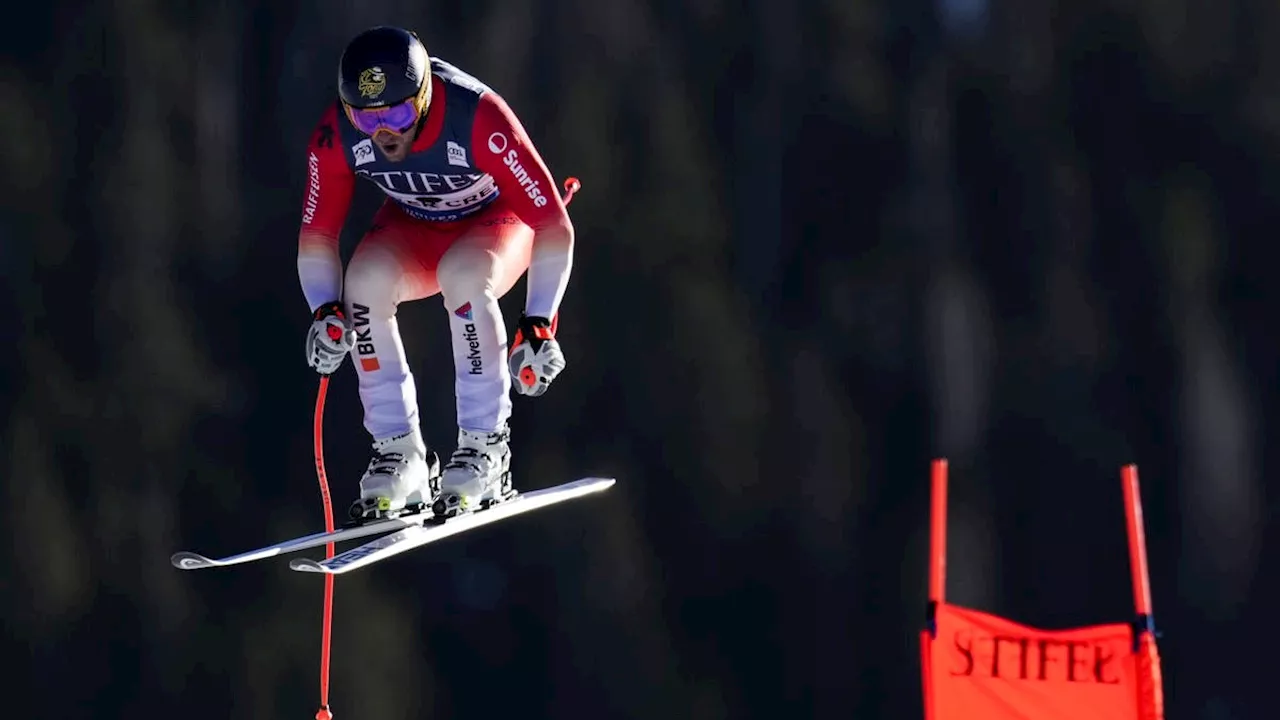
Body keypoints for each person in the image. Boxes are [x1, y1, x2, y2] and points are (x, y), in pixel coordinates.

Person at [296, 25, 575, 521]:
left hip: (497, 224)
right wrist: (325, 310)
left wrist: (538, 322)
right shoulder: (335, 135)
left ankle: (485, 449)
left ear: (424, 97)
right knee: (362, 285)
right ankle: (398, 453)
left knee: (465, 277)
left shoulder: (476, 117)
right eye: (366, 118)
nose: (383, 132)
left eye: (399, 114)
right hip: (417, 225)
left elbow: (553, 223)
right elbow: (317, 236)